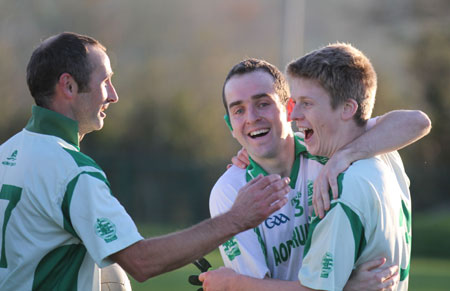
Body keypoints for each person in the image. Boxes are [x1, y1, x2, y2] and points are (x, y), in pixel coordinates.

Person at [0, 32, 292, 290]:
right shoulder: (72, 171)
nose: (113, 95)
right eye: (105, 81)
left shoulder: (6, 153)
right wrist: (236, 218)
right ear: (69, 86)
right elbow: (141, 262)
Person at [200, 51, 430, 290]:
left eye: (263, 104)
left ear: (289, 108)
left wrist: (344, 156)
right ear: (230, 124)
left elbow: (418, 121)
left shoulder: (331, 152)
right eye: (239, 110)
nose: (252, 118)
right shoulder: (229, 191)